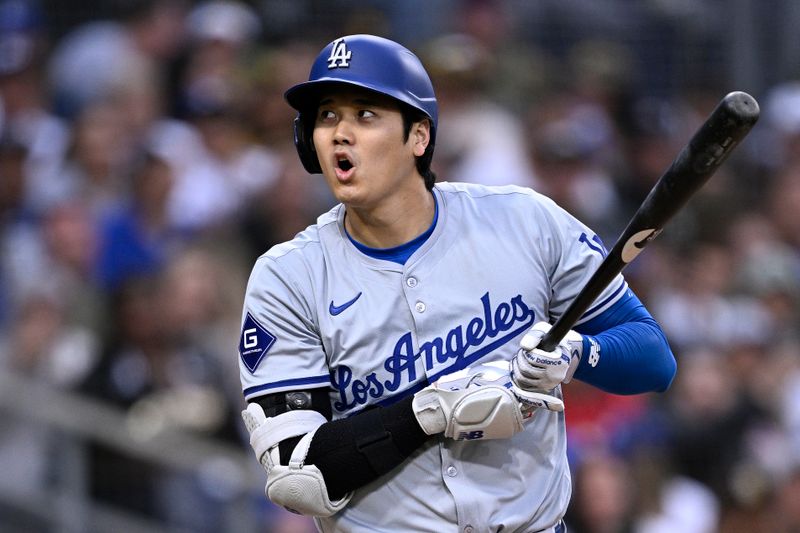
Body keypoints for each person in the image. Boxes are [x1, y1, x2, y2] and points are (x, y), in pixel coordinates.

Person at [237, 34, 676, 533]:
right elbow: (298, 478)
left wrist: (575, 353)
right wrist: (429, 412)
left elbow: (653, 359)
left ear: (418, 136)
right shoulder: (288, 277)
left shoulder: (523, 220)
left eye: (365, 115)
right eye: (326, 116)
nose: (340, 133)